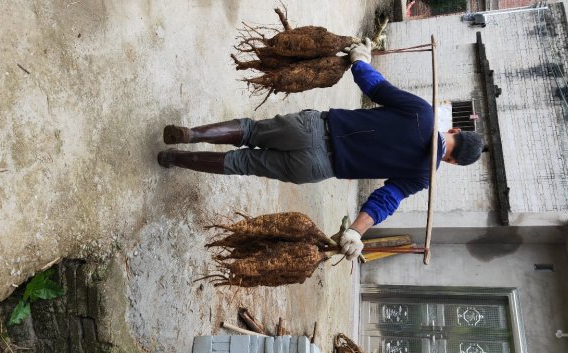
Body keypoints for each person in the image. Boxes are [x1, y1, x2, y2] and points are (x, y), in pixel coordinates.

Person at [157, 38, 484, 263]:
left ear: (454, 130)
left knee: (251, 130)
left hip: (315, 128)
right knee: (243, 163)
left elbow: (374, 86)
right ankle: (174, 159)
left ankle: (192, 133)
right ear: (452, 162)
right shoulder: (422, 175)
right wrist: (356, 232)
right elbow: (385, 200)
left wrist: (360, 60)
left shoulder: (423, 113)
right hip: (316, 167)